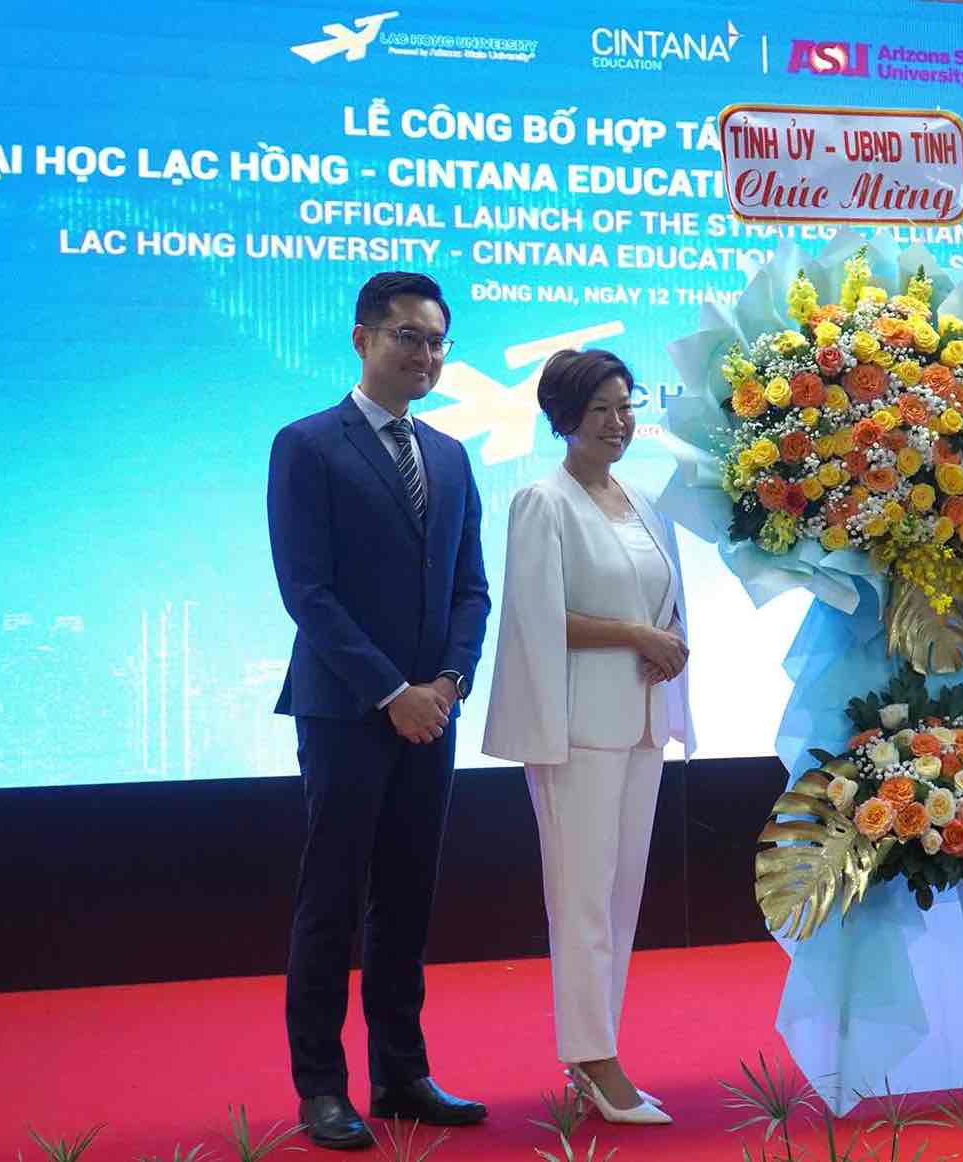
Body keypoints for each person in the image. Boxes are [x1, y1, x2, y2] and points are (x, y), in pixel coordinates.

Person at [267, 271, 491, 1149]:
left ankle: (401, 1073)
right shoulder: (308, 445)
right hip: (346, 712)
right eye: (409, 337)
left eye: (437, 341)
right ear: (362, 340)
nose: (426, 355)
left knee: (408, 897)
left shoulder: (450, 454)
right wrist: (391, 693)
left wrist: (446, 685)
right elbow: (307, 593)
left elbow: (470, 588)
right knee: (332, 897)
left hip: (433, 714)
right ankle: (321, 1085)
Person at [482, 349, 692, 1126]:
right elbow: (538, 616)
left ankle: (596, 1047)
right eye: (600, 409)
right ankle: (593, 1057)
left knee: (619, 896)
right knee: (580, 900)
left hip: (639, 723)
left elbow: (662, 601)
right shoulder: (545, 501)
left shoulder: (639, 500)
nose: (618, 422)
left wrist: (663, 640)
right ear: (564, 420)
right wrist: (636, 634)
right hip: (575, 728)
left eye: (625, 405)